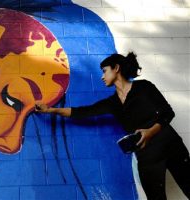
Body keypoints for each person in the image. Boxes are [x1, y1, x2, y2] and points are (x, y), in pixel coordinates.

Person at [35, 52, 190, 200]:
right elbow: (82, 112)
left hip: (170, 144)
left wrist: (150, 131)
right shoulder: (112, 103)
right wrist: (50, 110)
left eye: (104, 71)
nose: (102, 77)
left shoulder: (144, 87)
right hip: (146, 154)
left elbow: (168, 113)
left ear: (116, 68)